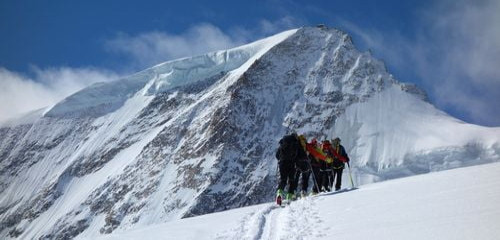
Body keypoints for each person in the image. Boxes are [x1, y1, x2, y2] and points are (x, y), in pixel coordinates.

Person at [275, 133, 301, 204]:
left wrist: (281, 159)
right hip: (291, 164)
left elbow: (277, 155)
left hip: (282, 163)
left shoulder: (283, 143)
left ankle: (279, 194)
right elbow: (297, 155)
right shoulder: (295, 143)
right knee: (291, 180)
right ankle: (289, 196)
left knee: (283, 180)